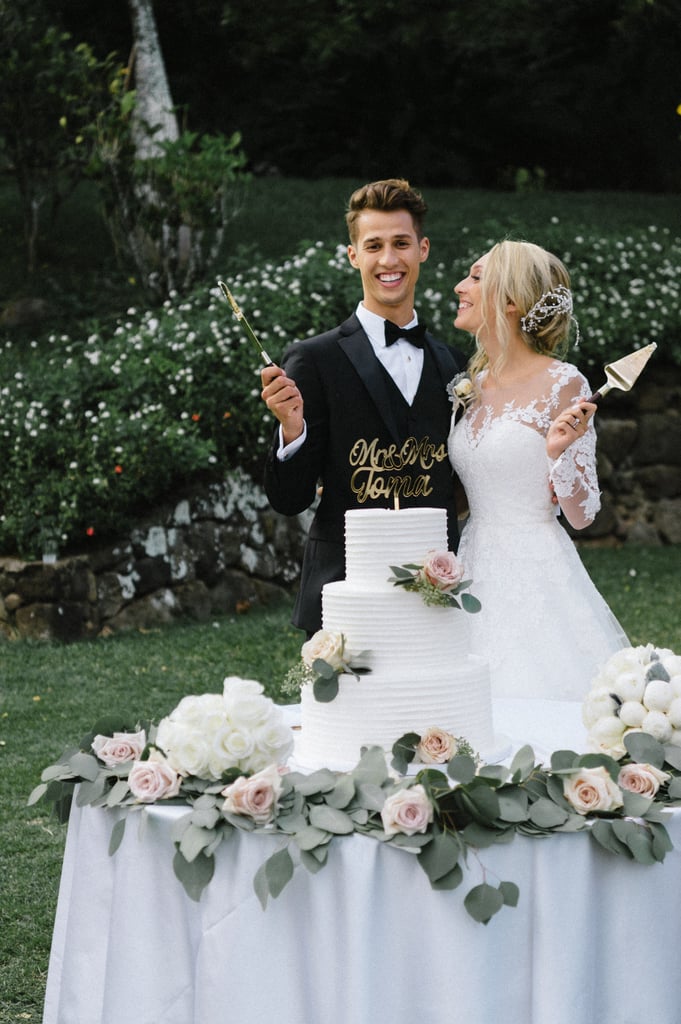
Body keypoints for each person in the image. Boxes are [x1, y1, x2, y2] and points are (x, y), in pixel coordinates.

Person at [261, 178, 466, 636]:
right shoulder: (314, 359)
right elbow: (289, 500)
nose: (389, 260)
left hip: (438, 597)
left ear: (423, 249)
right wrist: (291, 432)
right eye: (374, 245)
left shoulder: (452, 363)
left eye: (401, 244)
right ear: (353, 255)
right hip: (344, 592)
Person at [447, 239, 628, 702]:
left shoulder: (565, 383)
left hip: (536, 571)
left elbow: (584, 514)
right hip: (470, 564)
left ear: (510, 301)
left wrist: (559, 452)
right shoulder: (473, 382)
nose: (459, 287)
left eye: (474, 277)